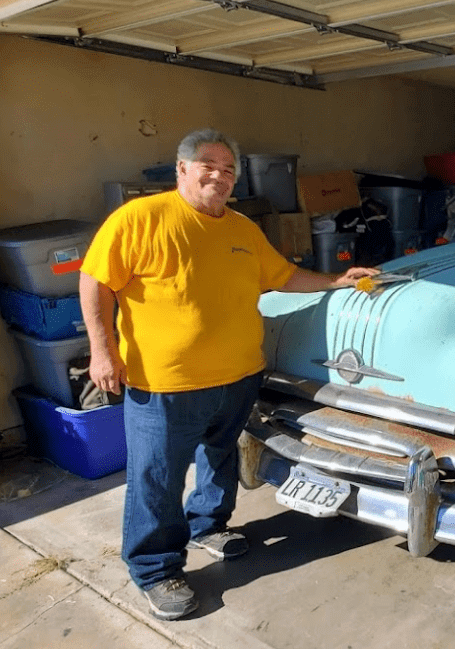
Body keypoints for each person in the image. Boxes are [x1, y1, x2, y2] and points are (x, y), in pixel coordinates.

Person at [79, 128, 377, 621]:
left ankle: (208, 525)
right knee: (157, 477)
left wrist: (333, 281)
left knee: (219, 457)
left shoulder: (241, 228)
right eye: (208, 165)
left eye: (228, 169)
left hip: (238, 377)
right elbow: (94, 281)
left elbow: (281, 275)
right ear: (182, 170)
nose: (219, 175)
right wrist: (102, 350)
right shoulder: (140, 218)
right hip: (165, 384)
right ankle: (156, 570)